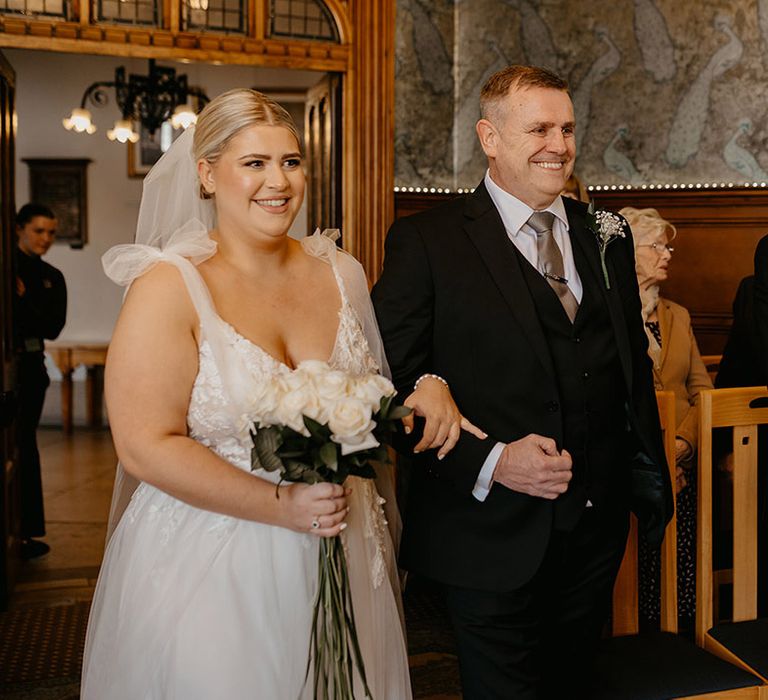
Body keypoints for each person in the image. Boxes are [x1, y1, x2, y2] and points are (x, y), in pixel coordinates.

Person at [81, 88, 473, 699]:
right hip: (213, 561)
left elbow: (371, 393)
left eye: (291, 162)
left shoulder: (340, 272)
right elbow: (144, 445)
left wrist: (426, 388)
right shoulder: (168, 287)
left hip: (342, 546)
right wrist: (279, 506)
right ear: (207, 175)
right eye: (255, 164)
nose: (279, 182)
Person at [372, 65, 672, 699]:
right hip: (486, 534)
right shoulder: (427, 241)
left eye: (566, 128)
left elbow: (624, 365)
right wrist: (493, 462)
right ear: (490, 136)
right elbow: (387, 388)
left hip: (594, 532)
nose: (558, 145)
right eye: (538, 128)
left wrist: (636, 464)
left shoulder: (606, 236)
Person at [621, 206, 712, 629]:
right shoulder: (609, 316)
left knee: (682, 557)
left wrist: (682, 446)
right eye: (655, 245)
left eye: (667, 245)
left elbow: (702, 391)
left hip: (680, 464)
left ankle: (680, 634)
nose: (667, 254)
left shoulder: (679, 315)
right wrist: (654, 454)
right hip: (628, 465)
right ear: (626, 252)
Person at [13, 203, 66, 560]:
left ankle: (28, 532)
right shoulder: (7, 267)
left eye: (51, 233)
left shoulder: (52, 276)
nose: (45, 239)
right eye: (38, 231)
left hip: (31, 368)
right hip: (10, 361)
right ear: (19, 228)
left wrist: (24, 299)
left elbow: (51, 328)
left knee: (25, 446)